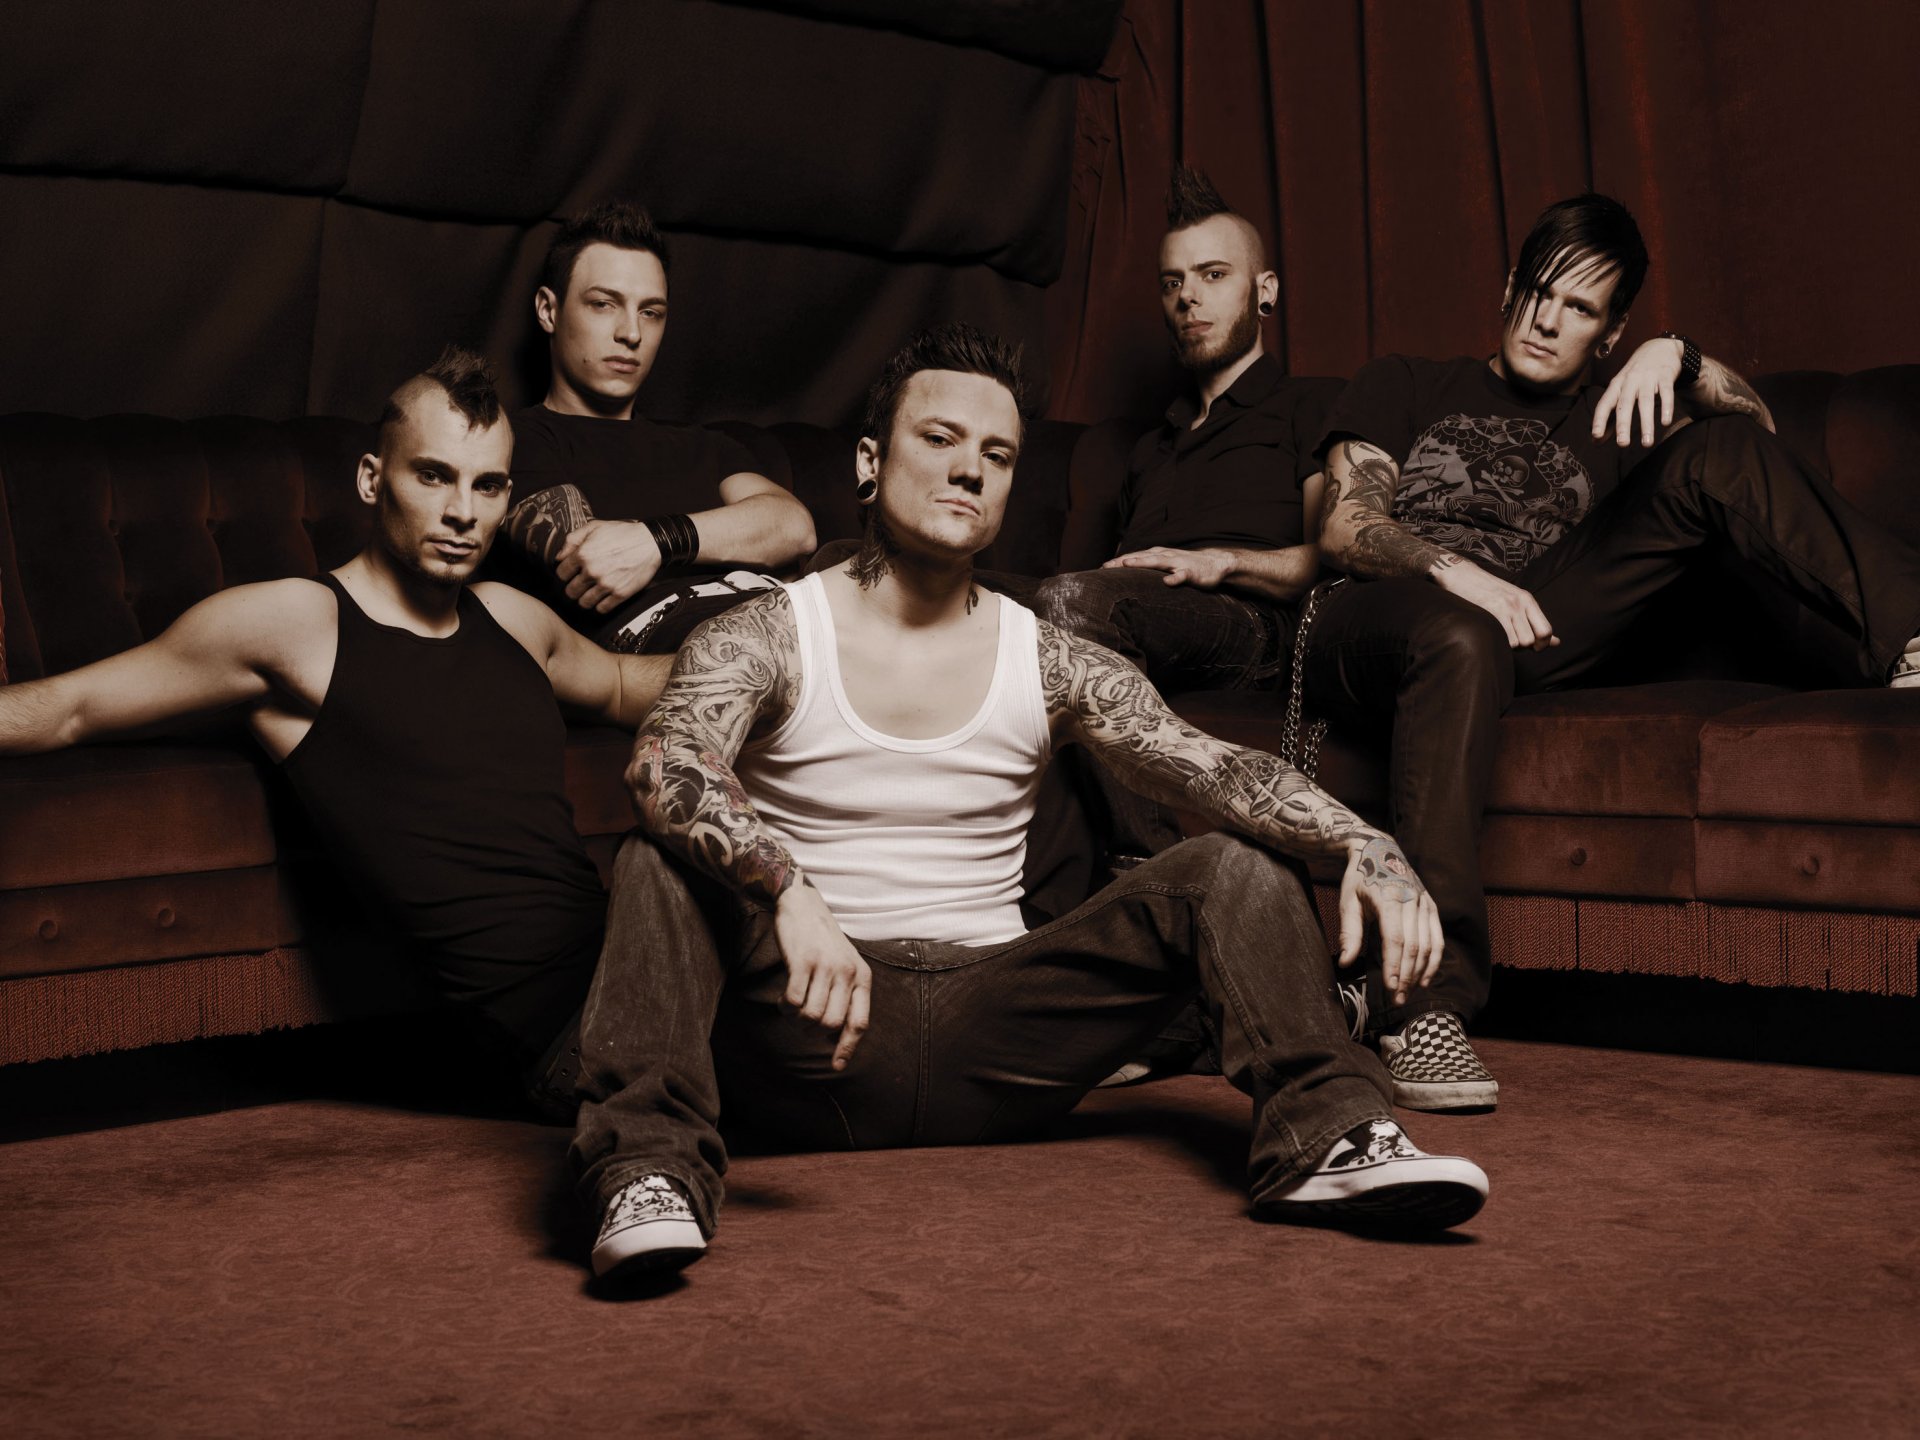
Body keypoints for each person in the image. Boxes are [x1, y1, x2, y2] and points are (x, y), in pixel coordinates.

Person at [566, 324, 1492, 1289]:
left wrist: (1366, 842)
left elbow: (1214, 769)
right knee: (658, 855)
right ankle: (645, 1172)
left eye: (998, 454)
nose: (969, 469)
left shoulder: (1048, 658)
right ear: (870, 462)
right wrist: (787, 888)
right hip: (811, 1034)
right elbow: (667, 761)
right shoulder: (770, 632)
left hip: (1001, 1037)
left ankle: (1328, 1136)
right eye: (940, 439)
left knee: (1233, 865)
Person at [1304, 193, 1920, 1109]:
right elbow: (1345, 526)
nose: (1548, 322)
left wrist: (1681, 357)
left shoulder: (1620, 414)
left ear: (1611, 329)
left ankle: (1916, 635)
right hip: (1378, 620)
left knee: (1716, 455)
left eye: (1581, 308)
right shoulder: (1406, 381)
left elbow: (1758, 449)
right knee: (1460, 629)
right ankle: (1422, 1006)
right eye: (1538, 293)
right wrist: (1455, 572)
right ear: (1509, 288)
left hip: (1524, 627)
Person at [0, 347, 673, 1093]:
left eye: (486, 485)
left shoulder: (513, 619)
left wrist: (775, 637)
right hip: (568, 1041)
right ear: (371, 479)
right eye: (432, 475)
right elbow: (70, 708)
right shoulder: (297, 625)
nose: (462, 511)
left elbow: (623, 683)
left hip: (647, 975)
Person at [1028, 165, 1326, 865]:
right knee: (911, 586)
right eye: (1172, 282)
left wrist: (1221, 561)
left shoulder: (1313, 404)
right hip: (1131, 613)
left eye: (1213, 275)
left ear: (1265, 290)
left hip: (1251, 625)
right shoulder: (1150, 447)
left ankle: (1152, 869)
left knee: (1068, 604)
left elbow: (1334, 556)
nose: (1188, 296)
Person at [492, 200, 816, 654]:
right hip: (701, 655)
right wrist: (730, 538)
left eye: (651, 312)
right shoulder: (510, 439)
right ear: (548, 310)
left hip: (802, 630)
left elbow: (793, 526)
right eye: (603, 304)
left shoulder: (706, 446)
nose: (631, 333)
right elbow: (589, 555)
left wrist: (656, 542)